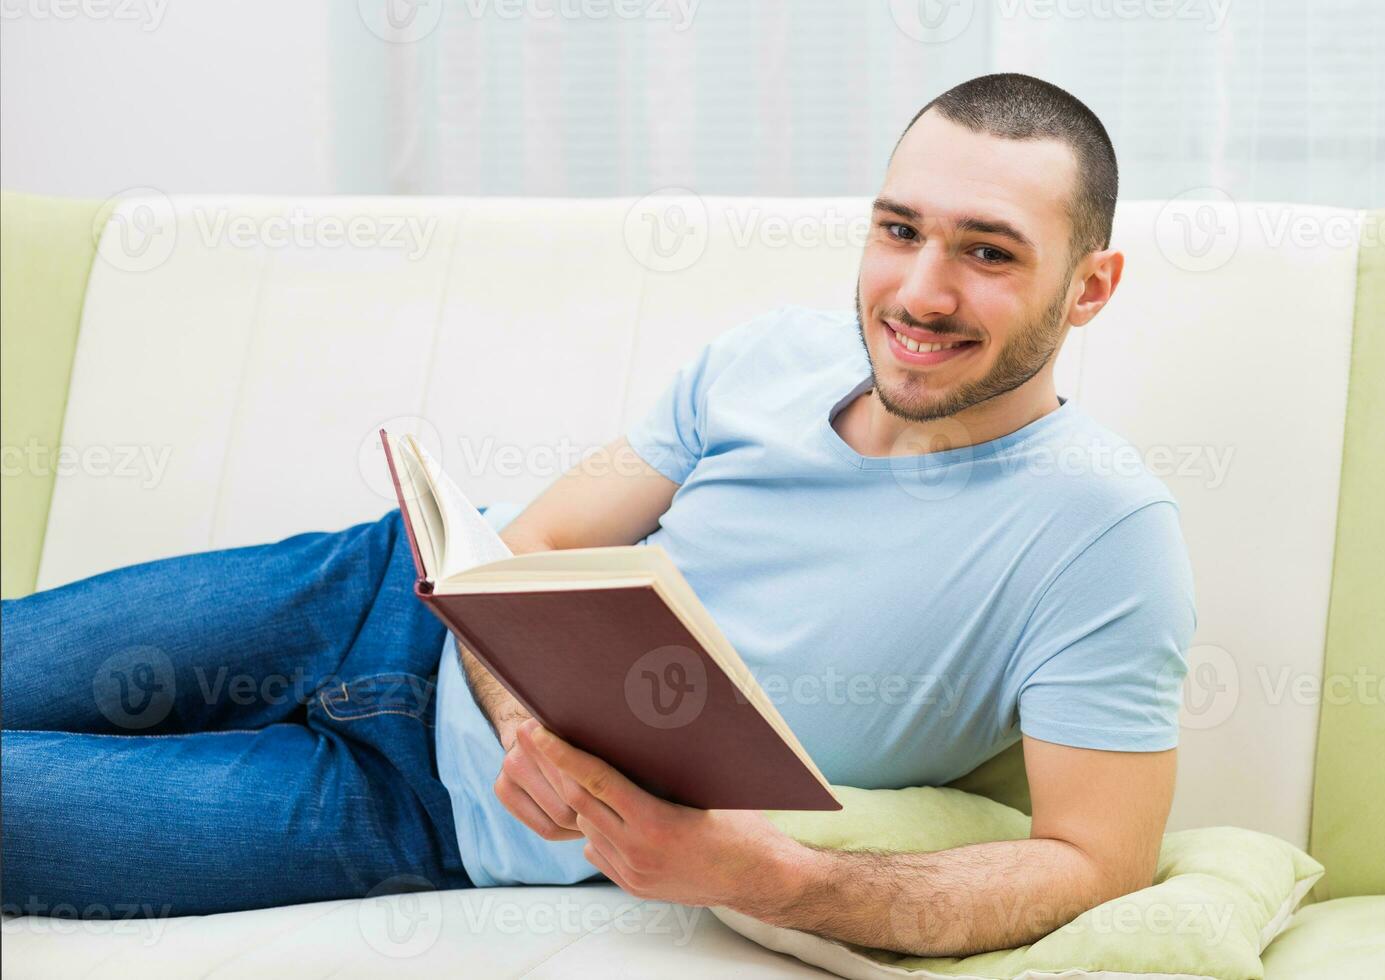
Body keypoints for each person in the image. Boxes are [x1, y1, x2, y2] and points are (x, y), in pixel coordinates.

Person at [1, 73, 1195, 957]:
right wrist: (523, 716)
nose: (919, 291)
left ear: (1090, 286)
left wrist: (778, 877)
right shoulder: (771, 356)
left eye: (988, 252)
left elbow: (1094, 860)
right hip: (370, 596)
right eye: (899, 230)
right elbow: (541, 545)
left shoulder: (1102, 530)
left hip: (419, 814)